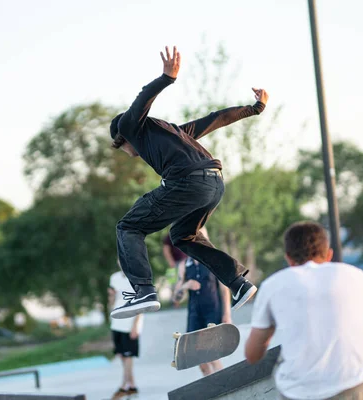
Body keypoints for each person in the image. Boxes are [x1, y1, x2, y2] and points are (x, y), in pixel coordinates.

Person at [109, 45, 268, 319]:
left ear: (122, 139)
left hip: (188, 183)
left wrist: (166, 79)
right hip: (215, 183)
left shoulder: (128, 126)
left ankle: (143, 290)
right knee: (183, 235)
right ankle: (238, 283)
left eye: (122, 149)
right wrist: (255, 109)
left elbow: (142, 100)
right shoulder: (175, 134)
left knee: (128, 226)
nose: (129, 154)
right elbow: (214, 119)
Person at [245, 221, 363, 400]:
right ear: (329, 254)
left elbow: (252, 355)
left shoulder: (272, 286)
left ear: (288, 258)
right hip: (357, 388)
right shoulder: (355, 275)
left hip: (299, 394)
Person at [172, 226, 231, 376]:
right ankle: (210, 389)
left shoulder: (215, 259)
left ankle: (223, 384)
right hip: (194, 313)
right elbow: (176, 297)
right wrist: (186, 285)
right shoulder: (184, 265)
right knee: (198, 358)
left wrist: (227, 315)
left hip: (212, 311)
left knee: (211, 354)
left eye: (201, 237)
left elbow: (225, 290)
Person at [108, 265, 144, 399]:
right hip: (117, 322)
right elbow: (112, 303)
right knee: (122, 355)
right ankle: (132, 386)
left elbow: (141, 302)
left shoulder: (136, 277)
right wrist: (111, 297)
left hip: (130, 323)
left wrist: (136, 325)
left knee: (128, 356)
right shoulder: (114, 278)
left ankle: (123, 387)